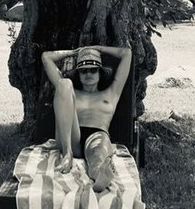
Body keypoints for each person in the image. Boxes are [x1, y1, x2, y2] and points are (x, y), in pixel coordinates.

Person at [41, 44, 132, 192]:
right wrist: (74, 52)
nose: (88, 74)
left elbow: (127, 53)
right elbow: (46, 57)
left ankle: (99, 176)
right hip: (71, 136)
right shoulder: (72, 93)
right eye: (83, 71)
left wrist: (98, 48)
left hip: (97, 135)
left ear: (100, 72)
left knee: (98, 153)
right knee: (64, 83)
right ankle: (68, 154)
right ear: (78, 74)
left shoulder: (111, 93)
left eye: (93, 69)